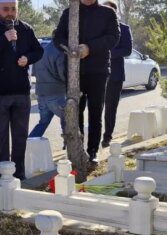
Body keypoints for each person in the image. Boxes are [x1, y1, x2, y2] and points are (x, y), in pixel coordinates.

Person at [0, 0, 43, 180]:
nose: (10, 13)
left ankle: (19, 175)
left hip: (21, 91)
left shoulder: (26, 29)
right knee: (0, 139)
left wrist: (27, 58)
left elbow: (38, 51)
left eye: (13, 9)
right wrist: (4, 39)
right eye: (6, 9)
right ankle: (3, 176)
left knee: (20, 137)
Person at [54, 0, 119, 162]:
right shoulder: (69, 12)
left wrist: (90, 48)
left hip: (98, 71)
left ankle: (92, 152)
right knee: (75, 113)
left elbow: (113, 37)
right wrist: (68, 48)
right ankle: (77, 151)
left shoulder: (107, 13)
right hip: (74, 72)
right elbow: (57, 36)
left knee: (95, 113)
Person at [102, 0, 133, 148]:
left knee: (110, 108)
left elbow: (127, 50)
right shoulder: (97, 28)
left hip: (115, 76)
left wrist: (107, 53)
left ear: (115, 12)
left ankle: (107, 136)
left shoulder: (124, 29)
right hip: (96, 75)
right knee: (95, 108)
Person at [28, 35, 67, 140]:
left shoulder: (42, 51)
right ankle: (69, 145)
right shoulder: (59, 52)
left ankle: (29, 144)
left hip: (41, 93)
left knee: (43, 122)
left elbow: (34, 73)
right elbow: (63, 74)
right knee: (68, 120)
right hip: (56, 92)